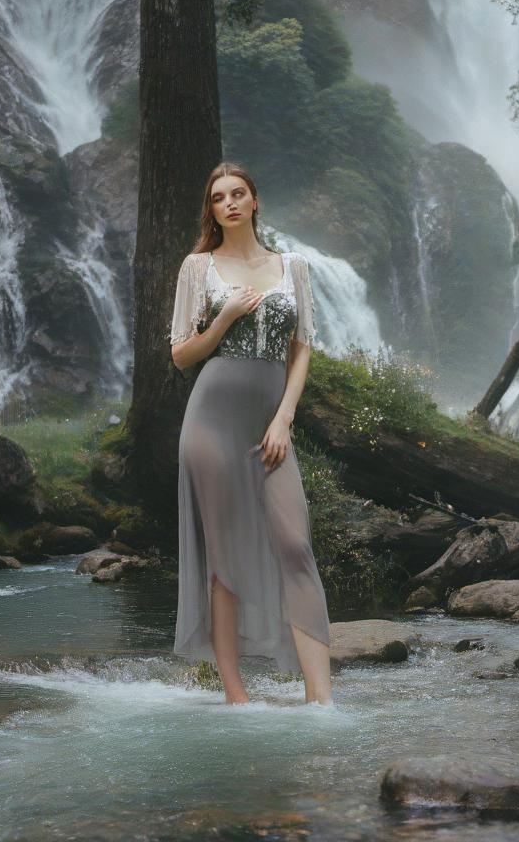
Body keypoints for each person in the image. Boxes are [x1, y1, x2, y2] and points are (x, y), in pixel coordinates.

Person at [168, 161, 333, 706]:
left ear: (255, 200)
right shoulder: (198, 268)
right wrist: (223, 320)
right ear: (211, 210)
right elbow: (180, 355)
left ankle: (321, 701)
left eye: (239, 193)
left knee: (295, 543)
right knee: (225, 555)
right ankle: (236, 698)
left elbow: (302, 345)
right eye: (219, 198)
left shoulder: (293, 266)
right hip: (211, 421)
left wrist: (285, 416)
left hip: (270, 420)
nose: (230, 203)